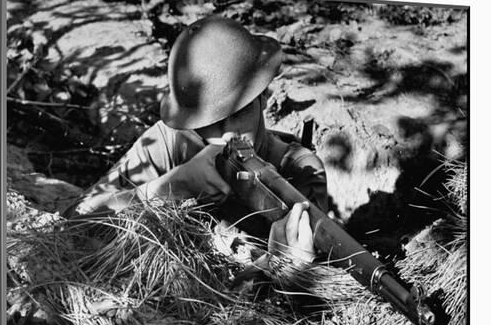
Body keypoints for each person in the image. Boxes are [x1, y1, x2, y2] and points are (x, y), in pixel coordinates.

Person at [64, 15, 328, 269]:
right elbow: (73, 225)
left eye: (238, 114)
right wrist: (168, 187)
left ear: (264, 97)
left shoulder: (298, 169)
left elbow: (313, 294)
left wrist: (287, 268)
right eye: (209, 121)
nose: (226, 134)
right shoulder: (170, 142)